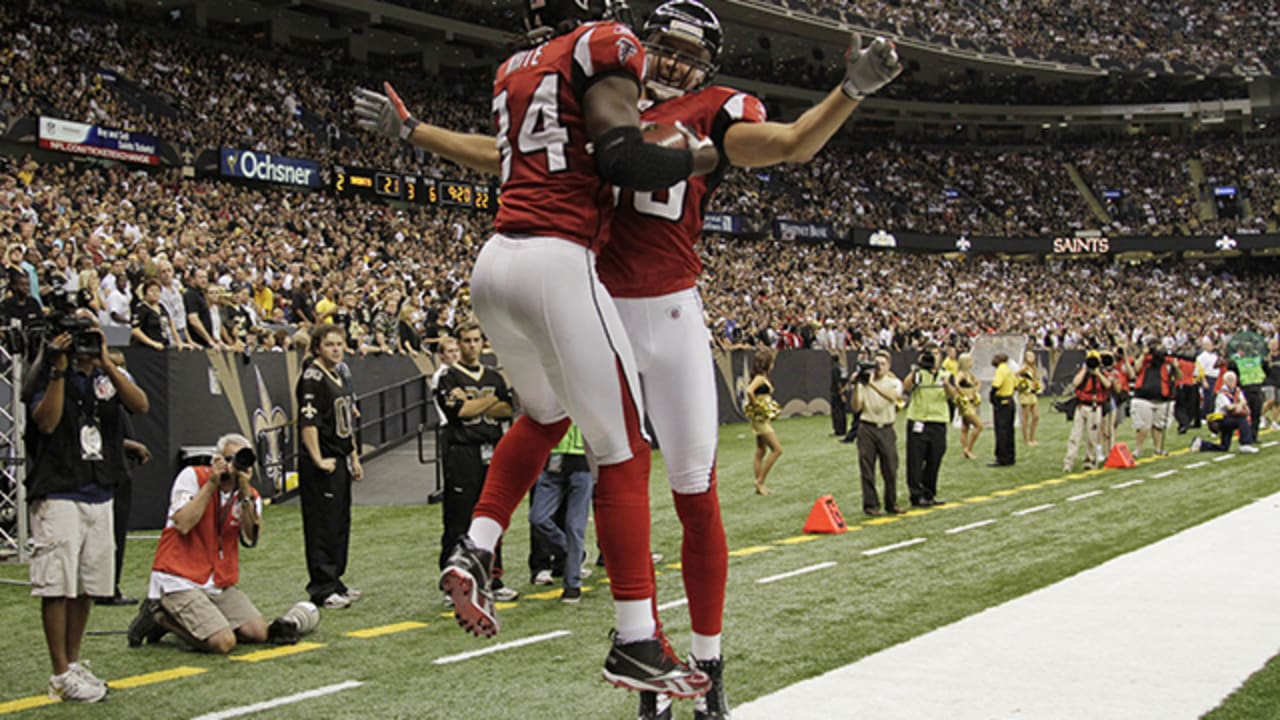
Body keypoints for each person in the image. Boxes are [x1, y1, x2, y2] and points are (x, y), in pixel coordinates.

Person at [359, 3, 900, 712]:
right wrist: (416, 132)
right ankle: (641, 648)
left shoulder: (714, 106)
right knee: (587, 450)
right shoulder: (600, 88)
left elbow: (793, 142)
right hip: (594, 303)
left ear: (706, 63)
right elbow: (508, 155)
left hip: (669, 312)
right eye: (664, 48)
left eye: (687, 53)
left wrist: (848, 92)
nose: (673, 63)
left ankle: (705, 665)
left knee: (693, 492)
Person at [356, 0, 728, 698]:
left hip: (497, 260)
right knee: (624, 453)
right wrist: (704, 152)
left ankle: (477, 546)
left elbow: (509, 154)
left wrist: (415, 132)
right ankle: (635, 640)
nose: (668, 60)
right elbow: (619, 158)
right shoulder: (605, 51)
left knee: (543, 413)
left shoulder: (518, 67)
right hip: (564, 267)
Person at [25, 326, 148, 702]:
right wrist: (60, 368)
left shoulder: (104, 375)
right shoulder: (45, 374)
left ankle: (74, 661)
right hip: (60, 487)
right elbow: (46, 421)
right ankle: (60, 672)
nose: (85, 347)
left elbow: (140, 404)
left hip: (99, 486)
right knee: (58, 584)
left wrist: (107, 363)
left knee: (87, 584)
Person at [434, 322, 518, 602]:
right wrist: (487, 402)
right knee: (459, 518)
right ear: (458, 344)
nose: (472, 345)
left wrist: (477, 401)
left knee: (492, 515)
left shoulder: (493, 376)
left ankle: (492, 578)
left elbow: (507, 409)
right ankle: (453, 579)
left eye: (476, 340)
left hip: (492, 450)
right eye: (466, 340)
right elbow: (460, 412)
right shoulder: (448, 377)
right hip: (462, 452)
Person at [296, 324, 365, 609]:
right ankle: (322, 587)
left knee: (339, 523)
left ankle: (336, 579)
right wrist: (316, 458)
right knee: (322, 525)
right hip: (323, 462)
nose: (336, 349)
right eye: (330, 345)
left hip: (339, 458)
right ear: (317, 348)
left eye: (339, 344)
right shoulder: (313, 378)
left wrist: (354, 456)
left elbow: (345, 421)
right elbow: (308, 423)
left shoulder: (339, 375)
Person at [529, 423, 593, 603]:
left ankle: (572, 586)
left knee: (574, 526)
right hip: (552, 460)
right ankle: (572, 552)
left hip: (582, 461)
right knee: (538, 518)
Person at [902, 345, 955, 508]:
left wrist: (946, 384)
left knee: (934, 459)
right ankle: (916, 495)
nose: (933, 357)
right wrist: (916, 369)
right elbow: (906, 387)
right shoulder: (918, 374)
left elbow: (953, 395)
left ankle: (929, 492)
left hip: (938, 420)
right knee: (915, 460)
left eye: (936, 353)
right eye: (930, 354)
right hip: (918, 419)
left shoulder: (946, 374)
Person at [851, 351, 903, 515]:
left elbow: (893, 397)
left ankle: (891, 502)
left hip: (886, 427)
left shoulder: (893, 382)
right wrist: (856, 386)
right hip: (867, 427)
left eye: (882, 364)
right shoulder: (864, 383)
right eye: (876, 364)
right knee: (867, 468)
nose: (879, 367)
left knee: (890, 468)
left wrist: (873, 384)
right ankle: (871, 505)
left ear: (888, 366)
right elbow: (857, 407)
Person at [1062, 351, 1114, 472]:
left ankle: (1090, 460)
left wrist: (1097, 373)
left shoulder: (1102, 373)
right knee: (1075, 435)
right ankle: (1069, 462)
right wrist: (1085, 369)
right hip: (1081, 407)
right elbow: (1075, 383)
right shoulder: (1083, 372)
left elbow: (1108, 385)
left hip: (1095, 407)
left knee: (1092, 437)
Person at [1130, 338, 1179, 457]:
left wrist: (1175, 366)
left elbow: (1178, 376)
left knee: (1159, 426)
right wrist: (1143, 354)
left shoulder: (1167, 362)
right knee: (1143, 427)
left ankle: (1158, 448)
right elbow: (1135, 369)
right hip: (1143, 397)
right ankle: (1138, 449)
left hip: (1162, 398)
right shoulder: (1145, 360)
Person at [1192, 371, 1261, 454]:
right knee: (1242, 420)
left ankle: (1202, 444)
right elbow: (1229, 407)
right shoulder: (1222, 393)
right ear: (1225, 381)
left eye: (1233, 380)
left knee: (1224, 447)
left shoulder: (1237, 390)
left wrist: (1240, 405)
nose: (1232, 382)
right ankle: (1245, 444)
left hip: (1230, 418)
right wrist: (1239, 405)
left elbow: (1244, 401)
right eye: (1229, 380)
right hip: (1221, 419)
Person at [745, 349, 783, 496]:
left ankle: (759, 485)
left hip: (761, 418)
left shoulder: (762, 377)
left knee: (761, 450)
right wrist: (756, 406)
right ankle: (759, 481)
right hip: (760, 419)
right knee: (777, 450)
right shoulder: (760, 378)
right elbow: (749, 391)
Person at [989, 352, 1016, 467]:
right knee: (1009, 430)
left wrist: (992, 395)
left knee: (1001, 430)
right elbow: (1016, 384)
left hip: (1002, 402)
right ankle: (1010, 456)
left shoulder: (1000, 370)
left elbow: (997, 384)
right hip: (1010, 400)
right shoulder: (1009, 370)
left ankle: (1002, 457)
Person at [130, 279, 172, 351]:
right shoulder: (141, 308)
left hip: (163, 346)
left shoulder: (161, 307)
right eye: (151, 291)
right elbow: (135, 330)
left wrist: (178, 341)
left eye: (157, 291)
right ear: (145, 293)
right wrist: (152, 343)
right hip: (147, 349)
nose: (155, 293)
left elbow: (170, 323)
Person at [955, 353, 984, 460]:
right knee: (979, 426)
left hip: (971, 402)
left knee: (965, 427)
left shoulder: (970, 374)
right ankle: (969, 449)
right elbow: (957, 385)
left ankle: (965, 451)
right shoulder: (961, 374)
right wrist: (963, 394)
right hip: (966, 403)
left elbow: (978, 383)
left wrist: (975, 391)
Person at [1015, 349, 1043, 446]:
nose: (1031, 358)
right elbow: (1015, 374)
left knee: (1036, 416)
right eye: (1029, 356)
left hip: (1032, 393)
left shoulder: (1034, 368)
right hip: (1025, 394)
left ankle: (1032, 437)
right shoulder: (1024, 367)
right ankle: (1026, 440)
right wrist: (1021, 385)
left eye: (1032, 356)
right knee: (1025, 417)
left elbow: (1036, 379)